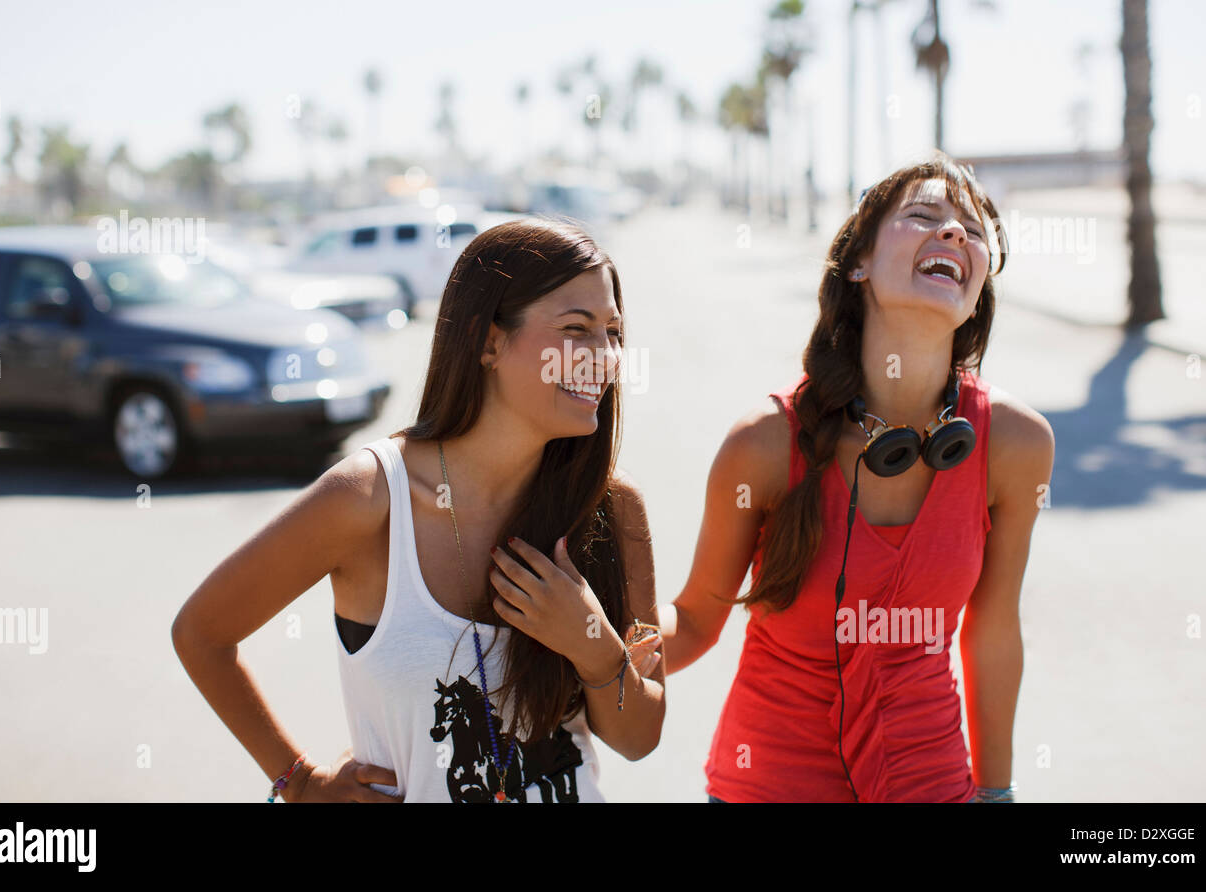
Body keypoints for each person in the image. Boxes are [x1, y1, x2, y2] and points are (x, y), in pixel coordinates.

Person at [172, 217, 665, 802]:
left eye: (612, 332)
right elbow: (202, 634)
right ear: (488, 341)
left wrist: (589, 643)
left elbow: (639, 738)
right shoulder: (368, 500)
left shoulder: (613, 507)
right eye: (576, 329)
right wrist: (299, 782)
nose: (604, 356)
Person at [660, 151, 1054, 802]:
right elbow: (695, 621)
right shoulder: (764, 442)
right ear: (858, 262)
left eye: (974, 231)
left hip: (934, 786)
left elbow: (994, 630)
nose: (954, 233)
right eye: (923, 216)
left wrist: (997, 792)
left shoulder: (1015, 441)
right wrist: (585, 645)